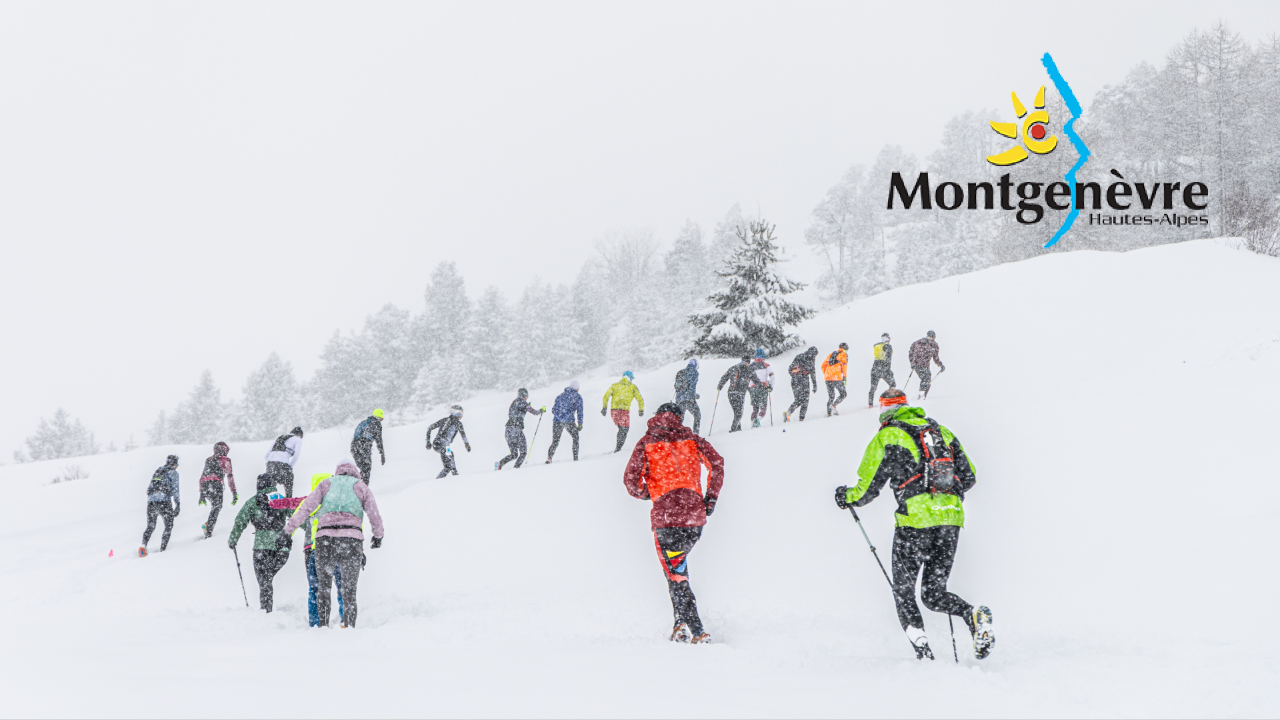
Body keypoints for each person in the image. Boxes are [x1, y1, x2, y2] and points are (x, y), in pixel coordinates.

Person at [834, 388, 993, 661]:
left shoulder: (888, 436)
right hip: (950, 521)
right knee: (933, 594)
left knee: (904, 591)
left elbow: (867, 490)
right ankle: (972, 614)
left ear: (885, 409)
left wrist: (844, 496)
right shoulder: (942, 432)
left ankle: (924, 655)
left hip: (914, 523)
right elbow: (969, 476)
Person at [623, 402, 724, 644]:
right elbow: (717, 464)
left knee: (676, 575)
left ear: (657, 417)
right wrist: (710, 499)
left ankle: (698, 632)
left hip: (667, 519)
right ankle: (680, 624)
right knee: (676, 570)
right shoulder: (692, 440)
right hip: (693, 518)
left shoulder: (646, 442)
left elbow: (630, 481)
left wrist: (650, 493)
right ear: (679, 418)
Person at [283, 461, 385, 628]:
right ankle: (349, 628)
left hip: (325, 540)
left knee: (323, 589)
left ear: (338, 471)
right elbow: (373, 513)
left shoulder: (326, 484)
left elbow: (306, 507)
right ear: (355, 472)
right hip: (351, 541)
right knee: (349, 591)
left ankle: (322, 628)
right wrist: (378, 535)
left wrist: (288, 530)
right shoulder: (360, 486)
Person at [281, 473, 344, 627]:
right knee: (341, 585)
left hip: (314, 548)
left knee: (315, 587)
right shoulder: (337, 501)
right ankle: (345, 617)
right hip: (337, 547)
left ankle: (316, 622)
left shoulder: (310, 500)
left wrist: (286, 534)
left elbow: (296, 514)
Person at [228, 474, 294, 613]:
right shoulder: (282, 499)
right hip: (282, 548)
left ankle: (266, 611)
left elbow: (240, 521)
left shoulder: (253, 502)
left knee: (264, 581)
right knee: (267, 579)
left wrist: (233, 540)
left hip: (261, 548)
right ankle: (267, 610)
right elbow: (298, 516)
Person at [140, 455, 180, 557]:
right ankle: (163, 550)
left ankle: (143, 546)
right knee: (169, 525)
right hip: (164, 501)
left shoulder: (158, 470)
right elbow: (175, 490)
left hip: (151, 502)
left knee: (150, 526)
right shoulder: (173, 473)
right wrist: (177, 503)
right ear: (174, 464)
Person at [497, 389, 544, 470]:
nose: (527, 397)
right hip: (516, 430)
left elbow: (514, 413)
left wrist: (525, 408)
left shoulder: (514, 403)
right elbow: (534, 412)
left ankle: (500, 463)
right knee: (523, 452)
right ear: (524, 395)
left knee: (514, 454)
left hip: (508, 430)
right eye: (526, 396)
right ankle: (516, 468)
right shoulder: (522, 402)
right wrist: (541, 410)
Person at [198, 442, 237, 538]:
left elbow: (202, 477)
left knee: (215, 506)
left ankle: (208, 525)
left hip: (206, 486)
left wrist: (201, 494)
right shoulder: (225, 460)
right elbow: (229, 476)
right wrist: (234, 492)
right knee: (217, 506)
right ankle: (208, 530)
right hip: (216, 485)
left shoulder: (208, 459)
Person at [601, 371, 645, 452]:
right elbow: (640, 399)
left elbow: (606, 396)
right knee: (624, 429)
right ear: (630, 378)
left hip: (614, 411)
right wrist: (641, 409)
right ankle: (618, 449)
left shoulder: (615, 386)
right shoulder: (633, 387)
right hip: (624, 411)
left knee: (621, 428)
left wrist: (604, 407)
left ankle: (618, 447)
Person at [425, 405, 471, 478]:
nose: (461, 416)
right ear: (454, 413)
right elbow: (429, 428)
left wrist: (467, 445)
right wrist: (428, 442)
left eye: (461, 414)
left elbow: (463, 435)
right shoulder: (446, 420)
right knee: (450, 455)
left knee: (447, 467)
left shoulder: (459, 424)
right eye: (459, 414)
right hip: (439, 443)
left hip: (446, 446)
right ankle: (455, 474)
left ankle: (438, 481)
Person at [547, 380, 584, 463]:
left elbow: (553, 410)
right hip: (569, 421)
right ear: (577, 388)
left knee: (555, 441)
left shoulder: (560, 396)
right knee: (575, 438)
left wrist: (560, 415)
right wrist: (580, 423)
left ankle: (549, 458)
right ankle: (575, 458)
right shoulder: (577, 396)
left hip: (557, 421)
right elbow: (580, 411)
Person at [716, 356, 754, 432]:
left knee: (737, 411)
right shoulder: (749, 370)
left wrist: (720, 386)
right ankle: (734, 429)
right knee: (739, 412)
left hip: (731, 393)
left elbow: (725, 377)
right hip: (739, 393)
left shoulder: (733, 368)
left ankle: (738, 427)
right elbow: (756, 380)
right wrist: (765, 386)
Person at [264, 426, 304, 496]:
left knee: (270, 490)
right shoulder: (298, 439)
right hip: (283, 465)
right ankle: (288, 503)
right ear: (300, 435)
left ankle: (270, 504)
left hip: (270, 465)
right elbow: (296, 454)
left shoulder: (280, 438)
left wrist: (270, 464)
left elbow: (266, 455)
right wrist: (291, 466)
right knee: (288, 486)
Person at [784, 346, 819, 422]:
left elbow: (790, 368)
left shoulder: (799, 356)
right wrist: (814, 385)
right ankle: (801, 418)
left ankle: (788, 412)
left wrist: (795, 375)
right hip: (804, 380)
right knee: (805, 400)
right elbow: (813, 373)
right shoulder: (811, 360)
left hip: (795, 380)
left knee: (798, 400)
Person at [351, 410, 386, 484]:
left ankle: (356, 485)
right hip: (364, 445)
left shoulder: (365, 422)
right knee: (366, 468)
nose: (381, 421)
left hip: (354, 445)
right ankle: (363, 489)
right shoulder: (377, 423)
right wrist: (382, 453)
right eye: (382, 419)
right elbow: (379, 439)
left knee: (362, 468)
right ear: (379, 417)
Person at [908, 331, 945, 400]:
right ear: (933, 337)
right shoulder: (934, 344)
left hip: (916, 365)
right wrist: (941, 365)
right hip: (924, 365)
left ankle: (921, 395)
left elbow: (910, 352)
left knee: (924, 379)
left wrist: (912, 363)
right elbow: (935, 358)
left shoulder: (916, 342)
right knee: (927, 380)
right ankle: (922, 396)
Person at [673, 359, 703, 435]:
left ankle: (675, 436)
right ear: (696, 365)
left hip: (679, 399)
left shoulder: (681, 372)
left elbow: (676, 387)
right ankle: (696, 435)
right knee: (697, 416)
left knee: (679, 419)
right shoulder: (694, 372)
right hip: (689, 399)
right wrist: (693, 396)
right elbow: (692, 386)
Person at [868, 333, 896, 408]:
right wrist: (889, 370)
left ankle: (870, 404)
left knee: (873, 387)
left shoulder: (877, 346)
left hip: (875, 367)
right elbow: (888, 359)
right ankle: (889, 400)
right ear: (888, 339)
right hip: (883, 367)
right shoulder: (887, 346)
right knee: (892, 384)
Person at [748, 349, 774, 428]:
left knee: (755, 408)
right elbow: (772, 376)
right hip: (763, 387)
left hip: (752, 388)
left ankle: (753, 423)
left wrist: (749, 388)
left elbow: (747, 378)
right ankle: (758, 419)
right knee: (763, 407)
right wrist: (771, 386)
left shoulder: (751, 366)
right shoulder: (766, 365)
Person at [821, 343, 850, 416]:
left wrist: (826, 375)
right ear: (845, 348)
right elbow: (844, 366)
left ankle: (829, 414)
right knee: (843, 394)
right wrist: (845, 377)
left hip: (827, 378)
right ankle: (833, 405)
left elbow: (822, 366)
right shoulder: (844, 354)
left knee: (831, 396)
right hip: (837, 378)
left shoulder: (831, 354)